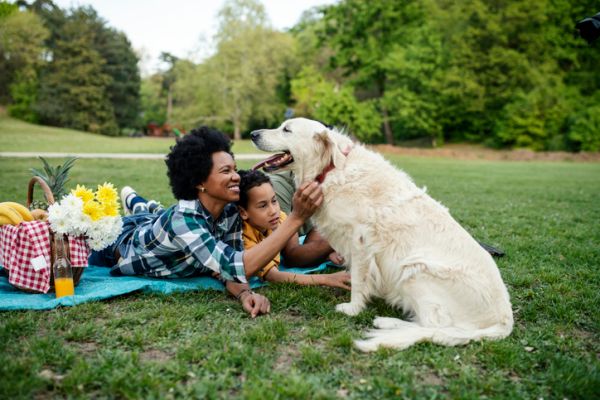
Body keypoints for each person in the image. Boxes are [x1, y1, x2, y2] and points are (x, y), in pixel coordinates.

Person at [88, 126, 324, 317]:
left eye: (233, 168)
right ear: (200, 181)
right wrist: (295, 219)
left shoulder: (231, 211)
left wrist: (244, 295)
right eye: (225, 171)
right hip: (118, 245)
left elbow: (229, 269)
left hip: (159, 226)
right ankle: (138, 206)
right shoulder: (183, 221)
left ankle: (140, 204)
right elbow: (240, 266)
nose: (236, 176)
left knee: (156, 214)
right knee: (119, 225)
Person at [237, 169, 350, 289]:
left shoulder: (280, 217)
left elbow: (294, 251)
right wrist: (326, 278)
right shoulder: (245, 236)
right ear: (243, 213)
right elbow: (273, 276)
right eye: (263, 205)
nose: (273, 211)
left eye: (274, 201)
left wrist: (325, 254)